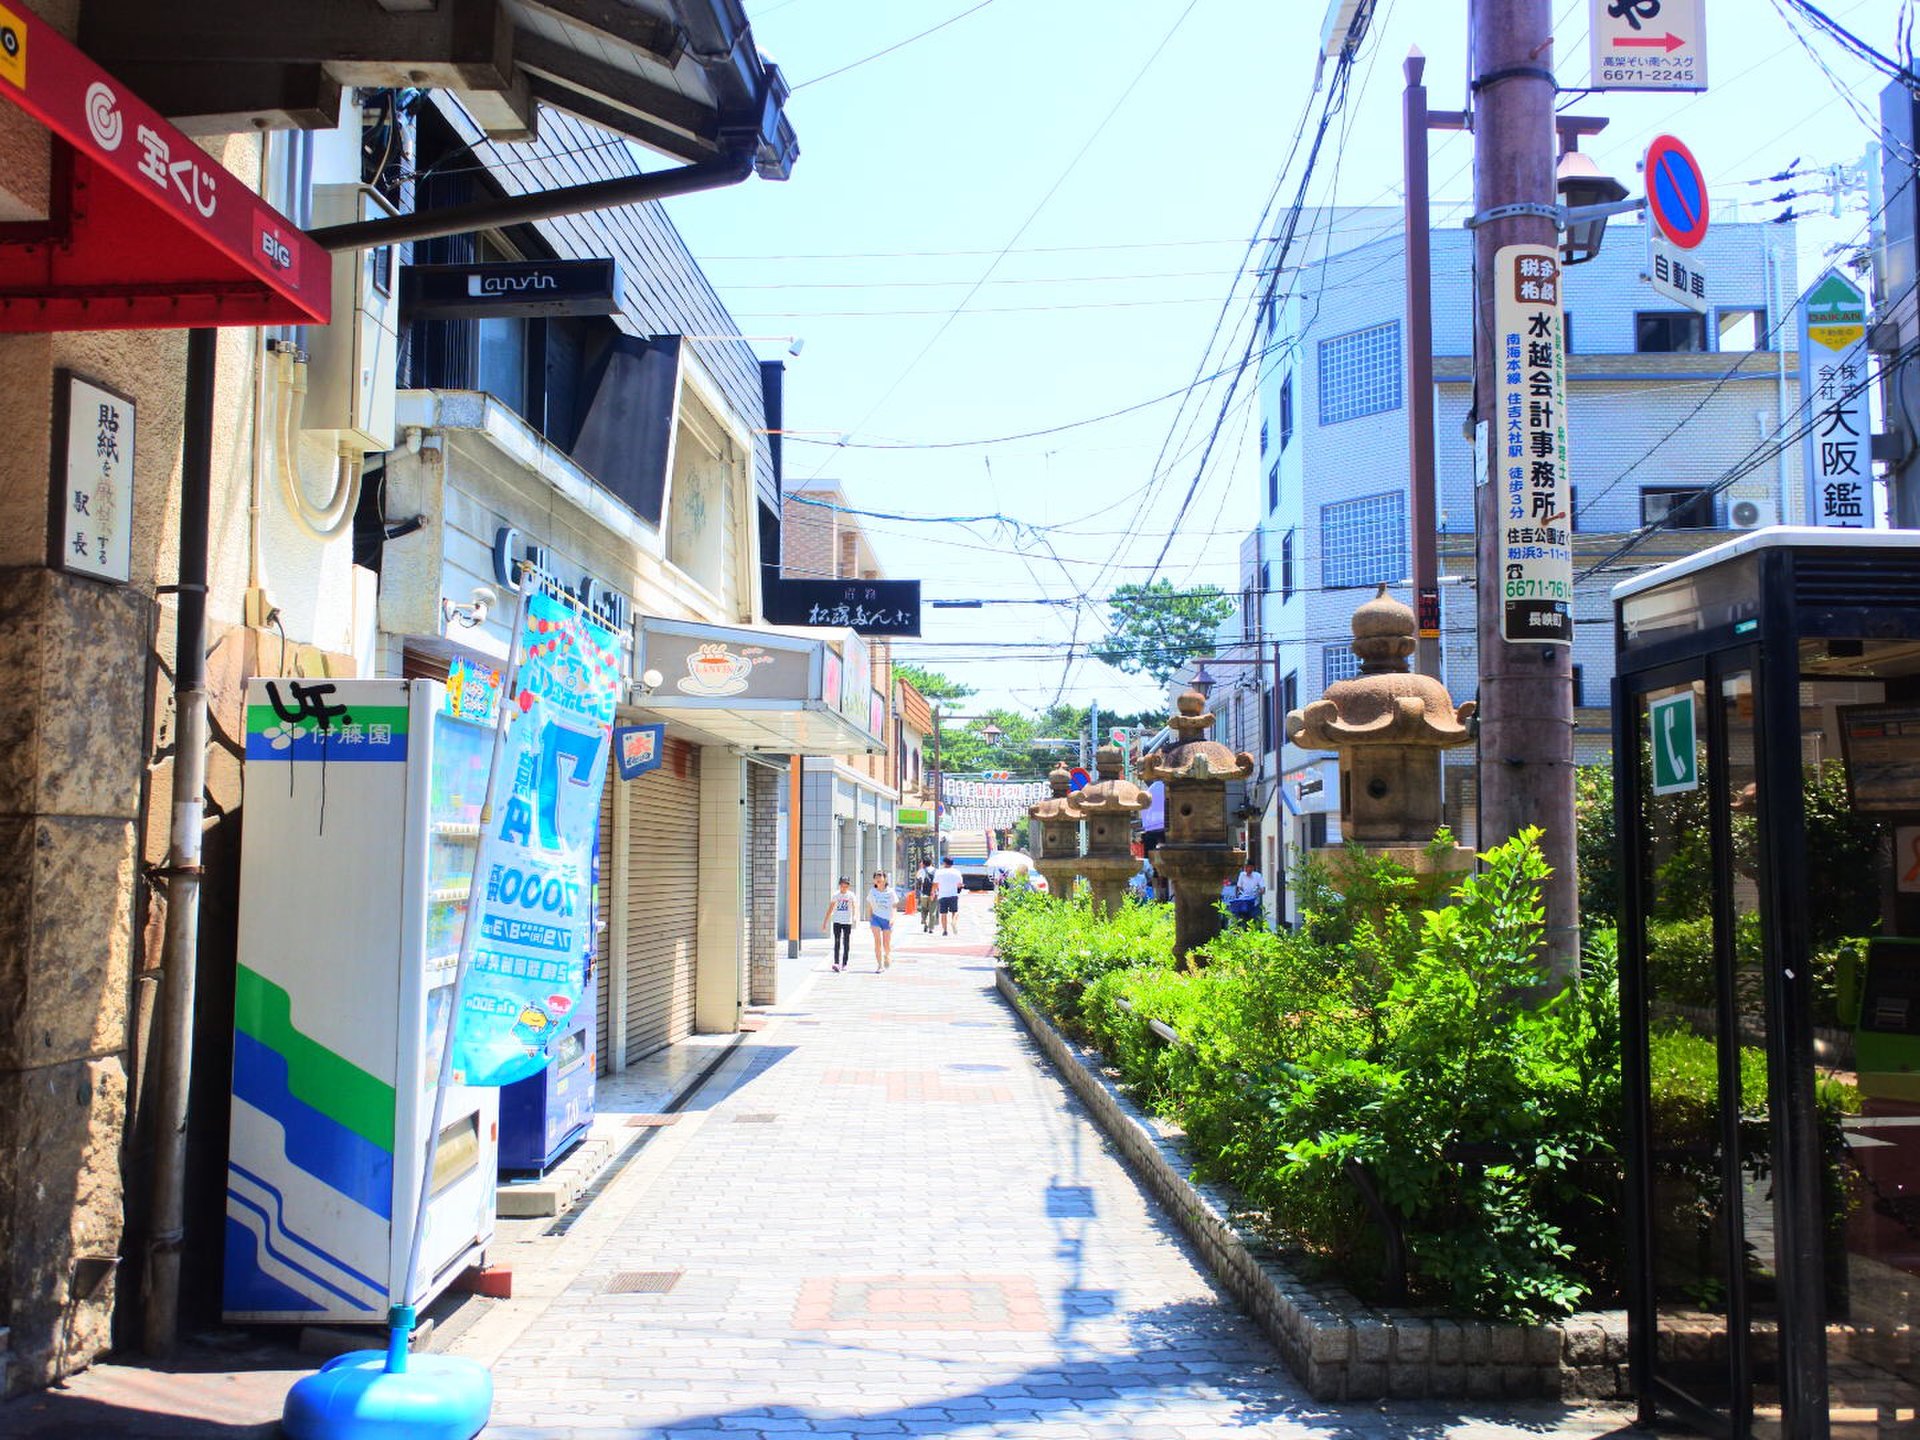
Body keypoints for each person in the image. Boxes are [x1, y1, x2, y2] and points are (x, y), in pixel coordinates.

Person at [821, 877, 857, 972]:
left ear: (848, 886)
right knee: (837, 942)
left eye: (846, 885)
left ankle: (844, 963)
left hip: (847, 922)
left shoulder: (851, 895)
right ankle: (836, 963)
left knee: (846, 943)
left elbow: (854, 906)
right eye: (842, 885)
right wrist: (825, 922)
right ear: (839, 885)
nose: (844, 887)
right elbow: (830, 909)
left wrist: (855, 916)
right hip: (837, 921)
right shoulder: (836, 895)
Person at [865, 870, 897, 970]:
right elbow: (869, 906)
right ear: (874, 880)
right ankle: (879, 965)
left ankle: (887, 955)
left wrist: (893, 918)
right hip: (875, 918)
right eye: (876, 878)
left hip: (887, 919)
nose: (878, 879)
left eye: (880, 877)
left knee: (886, 944)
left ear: (885, 879)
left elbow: (894, 906)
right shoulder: (872, 892)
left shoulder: (890, 892)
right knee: (877, 941)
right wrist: (870, 919)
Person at [933, 856, 963, 935]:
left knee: (943, 913)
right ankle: (953, 922)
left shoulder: (939, 872)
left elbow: (935, 884)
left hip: (942, 895)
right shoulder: (957, 872)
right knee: (955, 912)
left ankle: (945, 931)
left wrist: (933, 892)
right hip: (953, 894)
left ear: (945, 863)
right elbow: (960, 884)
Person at [916, 859, 937, 932]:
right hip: (934, 893)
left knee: (924, 909)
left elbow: (918, 879)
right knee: (933, 911)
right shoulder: (936, 871)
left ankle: (925, 923)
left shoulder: (921, 871)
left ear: (923, 864)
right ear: (931, 863)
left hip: (924, 893)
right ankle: (931, 928)